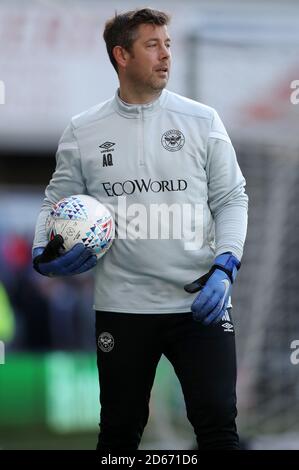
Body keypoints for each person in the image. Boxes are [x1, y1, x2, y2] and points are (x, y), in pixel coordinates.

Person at [32, 8, 248, 451]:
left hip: (199, 304)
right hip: (122, 306)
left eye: (168, 44)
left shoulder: (202, 121)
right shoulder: (83, 130)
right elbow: (56, 203)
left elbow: (232, 199)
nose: (166, 54)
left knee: (218, 428)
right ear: (121, 55)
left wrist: (225, 267)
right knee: (118, 432)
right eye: (152, 45)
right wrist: (43, 256)